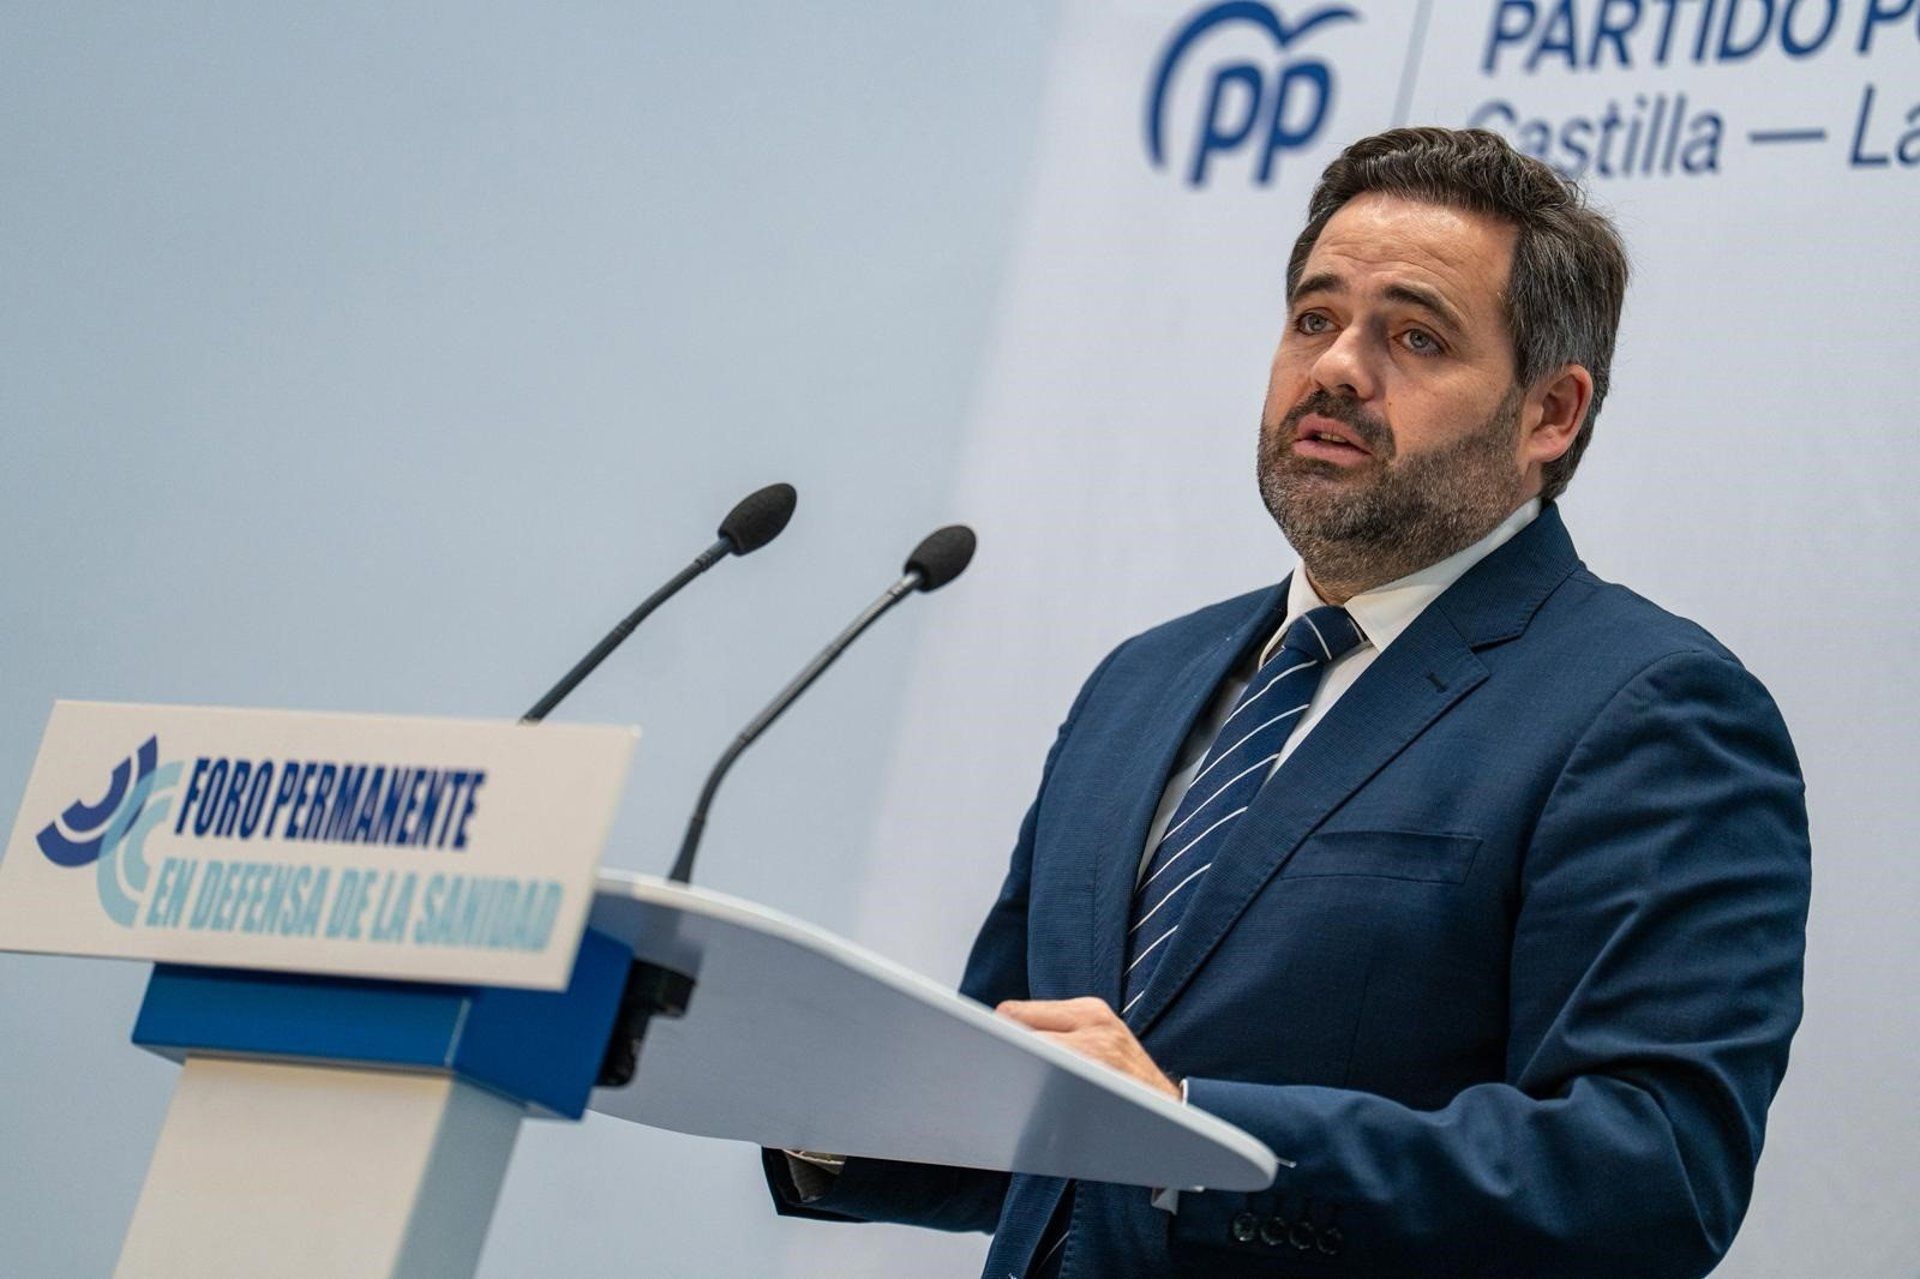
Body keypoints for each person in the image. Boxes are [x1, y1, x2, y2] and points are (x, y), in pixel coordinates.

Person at [762, 127, 1810, 1279]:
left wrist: (1190, 1131)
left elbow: (1651, 1175)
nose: (1338, 370)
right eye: (1314, 319)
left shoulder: (1649, 710)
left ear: (1549, 413)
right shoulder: (1142, 682)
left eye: (1414, 336)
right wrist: (820, 1101)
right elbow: (1033, 1100)